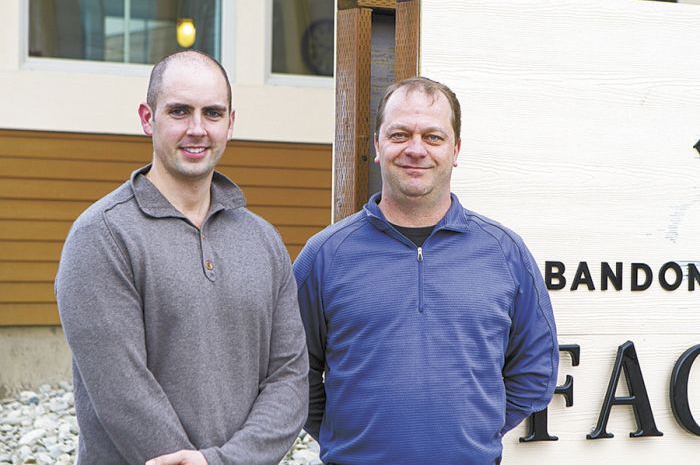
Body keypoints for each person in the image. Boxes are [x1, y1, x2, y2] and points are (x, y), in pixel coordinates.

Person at [55, 50, 308, 465]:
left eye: (212, 113)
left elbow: (290, 378)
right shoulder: (101, 236)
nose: (197, 129)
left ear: (230, 124)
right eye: (179, 111)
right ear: (147, 118)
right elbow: (121, 390)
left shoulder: (263, 240)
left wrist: (227, 460)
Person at [293, 77, 559, 464]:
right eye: (400, 134)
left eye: (433, 137)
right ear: (378, 146)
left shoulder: (505, 252)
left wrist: (473, 431)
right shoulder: (325, 255)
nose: (416, 149)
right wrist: (346, 437)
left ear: (456, 150)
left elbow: (535, 372)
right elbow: (294, 375)